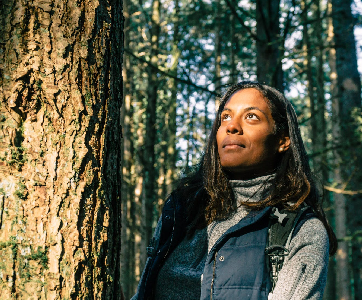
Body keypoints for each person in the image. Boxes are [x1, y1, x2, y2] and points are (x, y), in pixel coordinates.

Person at [131, 81, 337, 300]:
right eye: (225, 117)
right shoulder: (181, 208)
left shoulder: (300, 230)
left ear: (283, 141)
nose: (232, 126)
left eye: (251, 117)